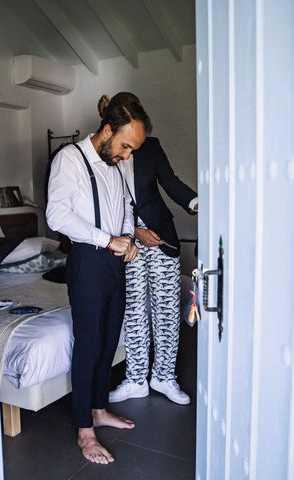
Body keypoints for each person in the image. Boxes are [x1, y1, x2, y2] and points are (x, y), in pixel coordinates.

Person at [46, 92, 151, 464]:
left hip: (113, 260)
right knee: (88, 342)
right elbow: (57, 216)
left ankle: (99, 409)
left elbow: (124, 205)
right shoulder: (69, 160)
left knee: (109, 338)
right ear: (107, 130)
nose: (126, 154)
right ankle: (84, 431)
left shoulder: (118, 164)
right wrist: (108, 240)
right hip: (87, 260)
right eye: (124, 145)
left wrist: (127, 239)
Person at [99, 94, 198, 406]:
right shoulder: (104, 151)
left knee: (167, 309)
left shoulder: (151, 147)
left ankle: (164, 377)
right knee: (135, 312)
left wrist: (200, 203)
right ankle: (136, 379)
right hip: (126, 240)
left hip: (160, 236)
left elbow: (171, 182)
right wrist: (134, 232)